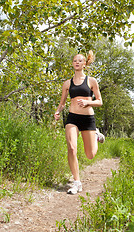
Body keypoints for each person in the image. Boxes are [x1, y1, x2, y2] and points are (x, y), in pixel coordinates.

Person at [54, 50, 105, 195]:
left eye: (80, 60)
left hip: (88, 119)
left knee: (90, 155)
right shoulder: (67, 83)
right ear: (72, 64)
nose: (77, 62)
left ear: (84, 64)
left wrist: (89, 103)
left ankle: (95, 135)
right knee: (71, 148)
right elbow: (62, 103)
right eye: (75, 60)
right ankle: (76, 182)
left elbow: (100, 101)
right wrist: (58, 112)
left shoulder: (91, 81)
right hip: (72, 118)